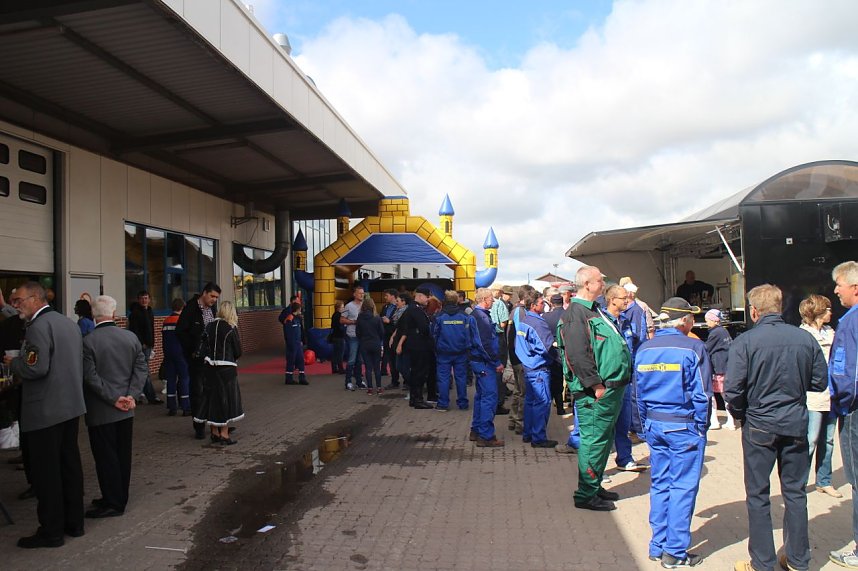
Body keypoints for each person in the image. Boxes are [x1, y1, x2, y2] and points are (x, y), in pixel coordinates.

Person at [725, 284, 826, 571]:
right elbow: (820, 382)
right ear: (780, 308)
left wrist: (742, 413)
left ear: (754, 311)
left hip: (759, 425)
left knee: (758, 495)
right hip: (794, 423)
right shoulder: (805, 340)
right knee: (795, 493)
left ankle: (763, 562)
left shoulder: (744, 342)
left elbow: (732, 390)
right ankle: (798, 560)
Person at [4, 282, 86, 548]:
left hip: (45, 409)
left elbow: (35, 368)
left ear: (35, 298)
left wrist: (13, 362)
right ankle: (74, 523)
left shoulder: (38, 327)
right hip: (70, 406)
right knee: (69, 466)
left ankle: (51, 531)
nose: (16, 306)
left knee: (46, 473)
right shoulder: (67, 323)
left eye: (19, 300)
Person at [635, 297, 711, 569]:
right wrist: (701, 426)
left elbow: (638, 394)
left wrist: (645, 426)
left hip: (655, 425)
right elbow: (702, 394)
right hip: (683, 426)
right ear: (685, 321)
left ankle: (657, 546)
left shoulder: (644, 349)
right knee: (682, 487)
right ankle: (675, 552)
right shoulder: (694, 347)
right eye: (692, 319)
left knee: (660, 484)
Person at [560, 266, 631, 511]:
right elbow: (577, 355)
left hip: (610, 389)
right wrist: (595, 385)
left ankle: (594, 485)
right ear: (588, 284)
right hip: (596, 393)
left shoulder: (594, 310)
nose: (603, 283)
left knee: (603, 439)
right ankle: (586, 495)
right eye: (600, 280)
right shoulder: (576, 314)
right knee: (593, 441)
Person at [81, 295, 147, 519]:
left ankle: (113, 501)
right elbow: (141, 368)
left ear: (93, 315)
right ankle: (118, 495)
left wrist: (113, 398)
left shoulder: (88, 342)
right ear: (115, 314)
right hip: (127, 408)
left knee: (105, 457)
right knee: (122, 455)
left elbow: (90, 378)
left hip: (102, 410)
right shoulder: (130, 338)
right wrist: (131, 395)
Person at [828, 261, 858, 569]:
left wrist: (840, 404)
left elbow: (845, 374)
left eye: (839, 285)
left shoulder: (850, 323)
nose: (835, 290)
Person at [798, 294, 840, 497]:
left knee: (828, 439)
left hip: (831, 393)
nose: (831, 312)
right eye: (827, 309)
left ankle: (824, 480)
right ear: (817, 312)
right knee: (811, 439)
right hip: (812, 395)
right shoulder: (803, 335)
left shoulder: (830, 331)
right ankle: (799, 482)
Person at [604, 285, 648, 473]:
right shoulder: (600, 322)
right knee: (604, 428)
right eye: (624, 297)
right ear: (612, 299)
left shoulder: (625, 321)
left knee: (623, 423)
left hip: (626, 381)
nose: (627, 300)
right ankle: (599, 469)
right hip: (608, 384)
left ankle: (625, 458)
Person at [176, 282, 221, 440]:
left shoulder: (212, 309)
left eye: (216, 297)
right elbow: (180, 331)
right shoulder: (191, 309)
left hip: (212, 357)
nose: (214, 300)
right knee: (198, 391)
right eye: (212, 296)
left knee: (213, 391)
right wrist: (192, 350)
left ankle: (216, 424)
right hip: (196, 358)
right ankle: (199, 426)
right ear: (204, 293)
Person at [195, 301, 243, 445]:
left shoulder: (209, 326)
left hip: (209, 367)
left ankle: (214, 432)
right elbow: (237, 351)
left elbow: (202, 347)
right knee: (226, 400)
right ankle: (224, 434)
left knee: (211, 399)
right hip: (226, 368)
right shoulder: (230, 328)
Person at [514, 289, 558, 448]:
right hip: (538, 368)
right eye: (541, 303)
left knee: (531, 402)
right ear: (533, 305)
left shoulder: (524, 321)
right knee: (542, 402)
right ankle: (538, 437)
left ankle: (528, 433)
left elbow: (518, 344)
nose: (544, 305)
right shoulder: (537, 323)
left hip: (528, 366)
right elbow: (546, 346)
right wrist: (556, 354)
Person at [469, 288, 505, 446]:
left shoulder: (476, 315)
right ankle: (486, 436)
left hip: (479, 362)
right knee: (489, 398)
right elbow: (484, 344)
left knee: (481, 396)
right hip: (485, 363)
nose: (493, 301)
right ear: (484, 299)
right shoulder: (481, 317)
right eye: (491, 298)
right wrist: (496, 362)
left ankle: (476, 430)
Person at [396, 287, 434, 409]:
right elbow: (424, 328)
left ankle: (414, 399)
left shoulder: (411, 309)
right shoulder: (416, 310)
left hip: (414, 345)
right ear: (421, 296)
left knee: (416, 373)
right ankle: (418, 400)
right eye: (427, 297)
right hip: (419, 346)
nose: (428, 300)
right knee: (420, 373)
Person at [433, 290, 472, 411]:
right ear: (456, 301)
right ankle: (463, 403)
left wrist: (436, 348)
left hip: (443, 352)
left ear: (445, 300)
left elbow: (434, 334)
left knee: (443, 378)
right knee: (461, 378)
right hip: (461, 352)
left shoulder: (439, 317)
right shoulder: (464, 316)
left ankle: (443, 404)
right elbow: (469, 334)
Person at [127, 291, 162, 405]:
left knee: (141, 370)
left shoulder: (150, 311)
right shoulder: (135, 313)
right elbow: (134, 330)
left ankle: (138, 395)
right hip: (142, 346)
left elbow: (151, 329)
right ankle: (150, 396)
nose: (144, 300)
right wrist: (142, 343)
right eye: (142, 298)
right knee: (144, 371)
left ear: (149, 299)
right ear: (138, 300)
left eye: (146, 298)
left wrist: (152, 343)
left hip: (148, 345)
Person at [703, 309, 735, 430]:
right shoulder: (724, 331)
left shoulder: (715, 333)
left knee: (711, 395)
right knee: (725, 395)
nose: (706, 323)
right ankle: (730, 420)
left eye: (707, 320)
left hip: (717, 368)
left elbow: (706, 348)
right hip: (725, 367)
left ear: (713, 320)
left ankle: (714, 421)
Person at [507, 285, 530, 434]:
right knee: (523, 391)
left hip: (514, 355)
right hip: (519, 357)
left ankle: (512, 419)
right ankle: (520, 423)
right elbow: (522, 335)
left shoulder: (514, 310)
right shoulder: (520, 312)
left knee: (517, 390)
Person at [162, 298, 191, 416]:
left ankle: (172, 407)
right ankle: (185, 406)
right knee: (184, 379)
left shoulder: (166, 320)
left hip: (168, 354)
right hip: (181, 354)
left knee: (171, 380)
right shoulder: (182, 321)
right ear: (183, 308)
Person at [542, 293, 566, 416]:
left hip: (552, 350)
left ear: (551, 303)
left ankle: (557, 406)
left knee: (554, 379)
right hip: (567, 350)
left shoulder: (545, 316)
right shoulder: (568, 315)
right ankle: (565, 406)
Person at [356, 297, 384, 394]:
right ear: (373, 305)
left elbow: (357, 332)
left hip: (364, 344)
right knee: (377, 367)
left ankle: (370, 389)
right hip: (375, 343)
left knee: (368, 368)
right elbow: (382, 332)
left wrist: (362, 339)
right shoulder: (376, 317)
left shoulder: (360, 317)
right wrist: (379, 341)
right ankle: (379, 388)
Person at [341, 286, 366, 390]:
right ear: (354, 294)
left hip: (363, 336)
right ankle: (348, 382)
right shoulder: (348, 306)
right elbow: (342, 320)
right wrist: (353, 322)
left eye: (363, 293)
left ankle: (359, 381)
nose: (362, 295)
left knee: (360, 360)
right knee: (351, 359)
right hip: (352, 336)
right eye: (359, 293)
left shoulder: (364, 306)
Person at [282, 301, 308, 386]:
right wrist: (291, 343)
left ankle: (302, 377)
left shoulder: (297, 319)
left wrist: (301, 341)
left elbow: (299, 332)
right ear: (297, 309)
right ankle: (288, 378)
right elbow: (288, 333)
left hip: (298, 343)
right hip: (292, 343)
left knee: (300, 360)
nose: (301, 311)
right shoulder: (290, 319)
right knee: (291, 361)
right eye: (300, 310)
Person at [380, 289, 399, 378]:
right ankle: (384, 370)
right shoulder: (385, 307)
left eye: (387, 295)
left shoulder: (398, 307)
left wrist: (389, 321)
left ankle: (398, 373)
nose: (385, 297)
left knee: (395, 355)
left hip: (395, 334)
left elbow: (399, 321)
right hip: (386, 333)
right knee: (387, 353)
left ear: (392, 296)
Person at [329, 301, 346, 375]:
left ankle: (334, 368)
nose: (344, 308)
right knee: (340, 353)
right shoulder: (340, 316)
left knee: (335, 352)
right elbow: (341, 326)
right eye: (342, 307)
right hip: (340, 336)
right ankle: (341, 368)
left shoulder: (334, 315)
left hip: (335, 336)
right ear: (339, 308)